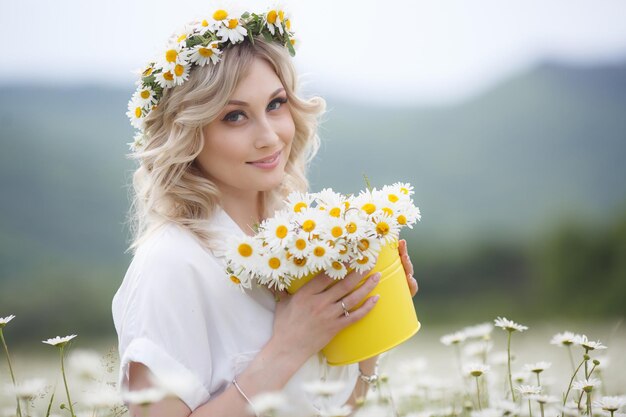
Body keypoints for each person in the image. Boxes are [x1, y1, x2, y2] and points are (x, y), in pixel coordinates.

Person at [112, 7, 418, 417]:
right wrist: (288, 346)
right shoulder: (171, 265)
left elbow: (329, 409)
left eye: (276, 104)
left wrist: (365, 325)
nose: (270, 137)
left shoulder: (303, 243)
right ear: (189, 133)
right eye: (235, 116)